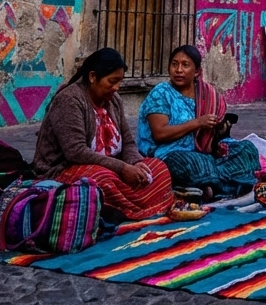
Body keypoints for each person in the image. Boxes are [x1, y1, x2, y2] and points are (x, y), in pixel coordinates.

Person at [34, 48, 173, 220]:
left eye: (120, 82)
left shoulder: (114, 100)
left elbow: (128, 142)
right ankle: (131, 207)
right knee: (101, 180)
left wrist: (136, 163)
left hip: (111, 166)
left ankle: (126, 206)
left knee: (159, 169)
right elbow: (76, 152)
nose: (117, 87)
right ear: (93, 77)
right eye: (112, 81)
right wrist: (122, 168)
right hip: (66, 169)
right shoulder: (69, 100)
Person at [136, 45, 259, 199]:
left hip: (203, 154)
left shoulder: (205, 94)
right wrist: (197, 123)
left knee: (247, 149)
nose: (178, 70)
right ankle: (224, 185)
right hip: (169, 153)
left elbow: (209, 139)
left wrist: (217, 131)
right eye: (174, 64)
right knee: (189, 163)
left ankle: (209, 186)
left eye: (185, 65)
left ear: (197, 72)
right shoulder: (161, 93)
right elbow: (159, 134)